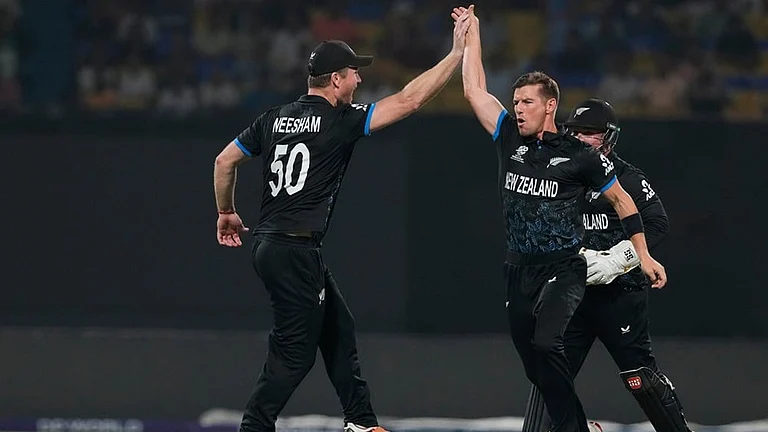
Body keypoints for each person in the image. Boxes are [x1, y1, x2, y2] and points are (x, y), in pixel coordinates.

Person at [212, 9, 473, 432]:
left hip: (273, 245)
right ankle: (255, 426)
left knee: (338, 327)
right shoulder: (339, 120)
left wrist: (226, 212)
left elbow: (225, 161)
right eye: (354, 73)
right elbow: (409, 100)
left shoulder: (273, 118)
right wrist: (456, 52)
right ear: (335, 79)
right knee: (294, 353)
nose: (359, 81)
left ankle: (360, 422)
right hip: (295, 249)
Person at [456, 6, 667, 432]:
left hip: (564, 267)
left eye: (527, 102)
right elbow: (475, 91)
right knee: (536, 362)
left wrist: (640, 256)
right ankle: (581, 426)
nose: (517, 109)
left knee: (547, 341)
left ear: (550, 106)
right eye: (515, 102)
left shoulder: (581, 156)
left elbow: (626, 204)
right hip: (519, 269)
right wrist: (472, 36)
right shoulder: (509, 138)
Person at [522, 99, 694, 432]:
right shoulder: (558, 175)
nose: (583, 139)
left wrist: (621, 258)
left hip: (620, 296)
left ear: (609, 138)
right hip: (575, 293)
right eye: (577, 133)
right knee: (549, 375)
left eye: (591, 134)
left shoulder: (627, 177)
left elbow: (657, 223)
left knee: (640, 378)